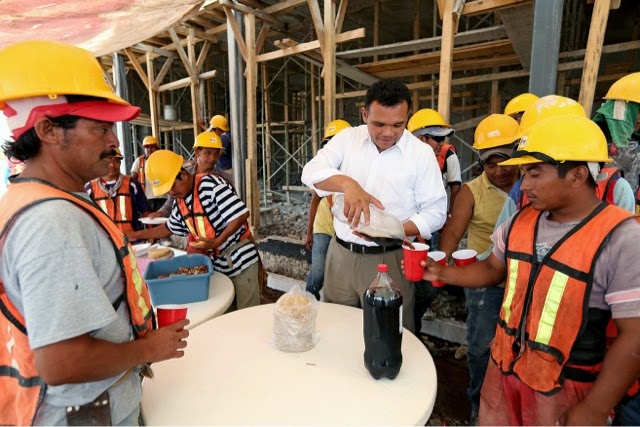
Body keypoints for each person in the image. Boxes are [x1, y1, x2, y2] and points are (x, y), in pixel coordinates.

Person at [0, 40, 188, 426]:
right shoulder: (52, 223)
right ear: (49, 130)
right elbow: (64, 362)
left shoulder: (31, 199)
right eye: (101, 127)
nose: (115, 141)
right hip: (89, 415)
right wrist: (148, 348)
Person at [417, 114, 640, 425]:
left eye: (535, 174)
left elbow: (634, 336)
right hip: (506, 371)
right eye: (523, 173)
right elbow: (494, 269)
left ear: (576, 175)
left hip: (564, 387)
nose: (524, 184)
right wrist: (443, 273)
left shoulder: (620, 237)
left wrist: (595, 408)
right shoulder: (521, 221)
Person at [301, 79, 447, 333]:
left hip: (389, 258)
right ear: (365, 114)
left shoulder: (420, 154)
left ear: (407, 118)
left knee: (389, 333)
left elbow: (435, 212)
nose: (388, 133)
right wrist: (347, 184)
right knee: (338, 329)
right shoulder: (347, 139)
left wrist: (390, 230)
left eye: (398, 125)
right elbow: (310, 172)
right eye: (378, 124)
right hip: (341, 255)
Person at [437, 114, 521, 422]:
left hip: (523, 284)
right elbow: (453, 232)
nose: (499, 171)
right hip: (486, 283)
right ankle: (479, 404)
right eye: (490, 164)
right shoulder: (472, 191)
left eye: (506, 161)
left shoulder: (531, 186)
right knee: (481, 348)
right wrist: (441, 261)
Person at [126, 150, 260, 310]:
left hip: (240, 260)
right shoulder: (180, 201)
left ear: (182, 174)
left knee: (246, 312)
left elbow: (240, 214)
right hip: (219, 264)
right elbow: (169, 228)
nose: (171, 193)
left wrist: (218, 240)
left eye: (172, 186)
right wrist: (134, 235)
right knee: (226, 310)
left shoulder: (210, 185)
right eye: (167, 190)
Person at [305, 119, 351, 300]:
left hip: (348, 232)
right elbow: (315, 202)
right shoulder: (324, 172)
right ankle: (308, 306)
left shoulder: (358, 169)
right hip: (324, 227)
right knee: (318, 273)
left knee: (343, 278)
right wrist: (309, 232)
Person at [151, 131, 233, 218]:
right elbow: (172, 200)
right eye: (208, 153)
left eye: (216, 154)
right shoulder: (184, 176)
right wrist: (162, 212)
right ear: (197, 151)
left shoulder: (225, 178)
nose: (212, 158)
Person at [407, 108, 461, 223]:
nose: (442, 143)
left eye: (443, 138)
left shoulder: (448, 155)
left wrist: (450, 216)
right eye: (438, 138)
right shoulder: (401, 157)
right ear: (422, 138)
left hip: (432, 220)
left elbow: (455, 188)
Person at [86, 147, 151, 232]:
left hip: (133, 240)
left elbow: (145, 211)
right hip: (105, 241)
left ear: (120, 163)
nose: (112, 165)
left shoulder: (132, 185)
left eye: (116, 161)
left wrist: (151, 232)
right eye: (108, 161)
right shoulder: (90, 189)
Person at [131, 135, 167, 211]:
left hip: (162, 197)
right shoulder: (139, 161)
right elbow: (132, 179)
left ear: (157, 148)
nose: (150, 150)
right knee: (148, 220)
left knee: (163, 219)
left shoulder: (163, 160)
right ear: (144, 149)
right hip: (146, 198)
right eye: (147, 147)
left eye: (152, 147)